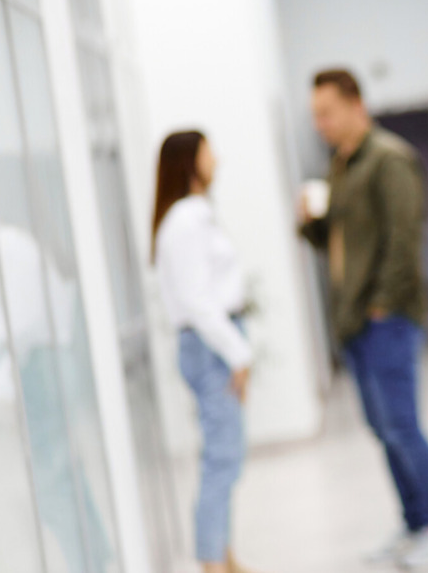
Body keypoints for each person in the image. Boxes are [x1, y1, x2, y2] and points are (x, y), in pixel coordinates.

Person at [297, 69, 428, 570]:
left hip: (385, 318)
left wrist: (382, 305)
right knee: (384, 429)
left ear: (355, 104)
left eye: (326, 113)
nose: (320, 124)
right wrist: (308, 223)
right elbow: (335, 241)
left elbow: (403, 238)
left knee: (402, 426)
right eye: (315, 116)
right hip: (354, 321)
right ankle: (416, 526)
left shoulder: (389, 159)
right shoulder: (342, 165)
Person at [152, 130, 256, 573]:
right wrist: (238, 354)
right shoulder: (186, 219)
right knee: (222, 460)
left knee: (224, 456)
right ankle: (212, 563)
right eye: (208, 150)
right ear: (190, 161)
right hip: (211, 345)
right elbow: (197, 301)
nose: (216, 158)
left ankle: (222, 556)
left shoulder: (191, 215)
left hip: (211, 341)